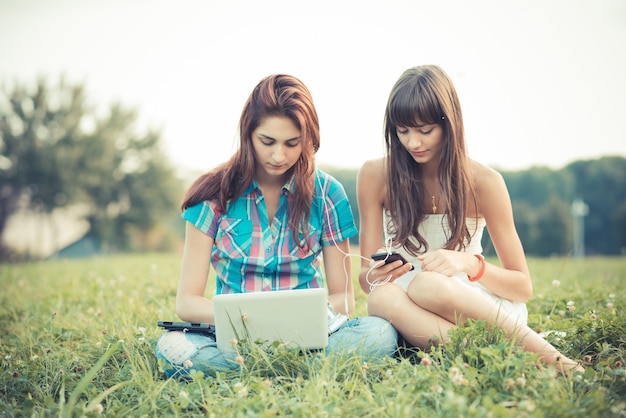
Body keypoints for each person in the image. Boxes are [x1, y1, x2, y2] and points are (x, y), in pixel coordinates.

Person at [156, 74, 398, 379]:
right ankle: (297, 372)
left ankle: (256, 373)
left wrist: (295, 322)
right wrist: (250, 321)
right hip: (234, 340)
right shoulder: (212, 194)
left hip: (310, 339)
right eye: (267, 141)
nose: (278, 156)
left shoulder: (328, 194)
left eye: (292, 143)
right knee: (172, 346)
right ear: (248, 133)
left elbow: (344, 298)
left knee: (381, 335)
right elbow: (187, 302)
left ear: (308, 141)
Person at [357, 65, 583, 374]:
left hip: (473, 306)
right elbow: (364, 279)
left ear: (449, 124)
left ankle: (554, 360)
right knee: (381, 299)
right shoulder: (375, 175)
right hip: (410, 310)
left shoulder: (484, 182)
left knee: (429, 286)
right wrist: (378, 274)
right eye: (402, 131)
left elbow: (522, 286)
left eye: (425, 131)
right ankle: (508, 358)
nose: (413, 143)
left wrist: (468, 263)